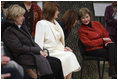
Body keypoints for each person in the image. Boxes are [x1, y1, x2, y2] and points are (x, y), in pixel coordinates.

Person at [2, 5, 64, 79]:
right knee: (54, 65)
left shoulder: (20, 27)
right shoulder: (9, 31)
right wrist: (37, 51)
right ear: (15, 17)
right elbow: (18, 48)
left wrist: (40, 50)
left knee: (57, 61)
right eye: (21, 16)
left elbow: (31, 41)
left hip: (31, 54)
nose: (23, 18)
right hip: (24, 57)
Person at [34, 2, 81, 79]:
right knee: (68, 56)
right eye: (57, 10)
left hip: (58, 50)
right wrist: (40, 53)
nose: (58, 12)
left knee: (70, 54)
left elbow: (58, 41)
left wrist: (64, 48)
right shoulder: (41, 23)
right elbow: (38, 42)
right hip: (49, 52)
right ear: (51, 11)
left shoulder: (56, 23)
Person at [78, 8, 117, 78]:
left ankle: (113, 72)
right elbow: (88, 43)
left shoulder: (97, 24)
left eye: (87, 17)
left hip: (102, 46)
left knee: (113, 45)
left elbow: (106, 35)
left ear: (90, 16)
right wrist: (101, 40)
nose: (86, 19)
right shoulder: (81, 30)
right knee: (113, 52)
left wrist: (106, 42)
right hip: (91, 50)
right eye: (83, 18)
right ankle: (114, 73)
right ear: (80, 19)